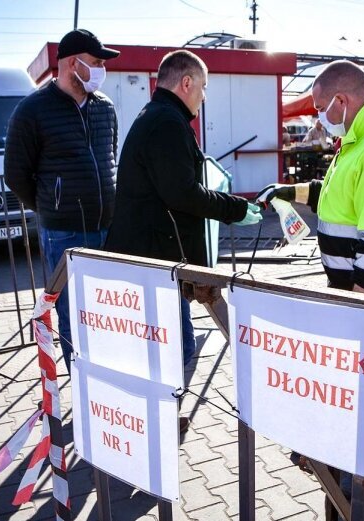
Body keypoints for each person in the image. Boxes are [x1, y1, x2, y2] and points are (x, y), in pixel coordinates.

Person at [256, 58, 364, 496]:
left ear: (341, 100)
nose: (318, 118)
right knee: (357, 393)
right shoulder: (361, 139)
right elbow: (335, 195)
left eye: (319, 108)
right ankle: (350, 464)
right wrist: (287, 191)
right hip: (360, 296)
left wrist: (352, 310)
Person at [104, 50, 261, 402]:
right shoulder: (166, 123)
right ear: (186, 82)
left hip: (155, 258)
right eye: (203, 87)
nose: (204, 96)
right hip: (155, 262)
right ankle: (155, 419)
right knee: (174, 351)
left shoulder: (159, 115)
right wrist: (235, 209)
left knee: (175, 348)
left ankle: (157, 415)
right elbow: (183, 194)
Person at [4, 29, 121, 374]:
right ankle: (85, 394)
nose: (102, 69)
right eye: (97, 62)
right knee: (73, 316)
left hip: (107, 230)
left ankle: (110, 386)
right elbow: (16, 175)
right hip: (64, 235)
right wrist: (50, 207)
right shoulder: (32, 111)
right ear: (74, 63)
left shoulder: (104, 108)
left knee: (109, 314)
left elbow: (110, 157)